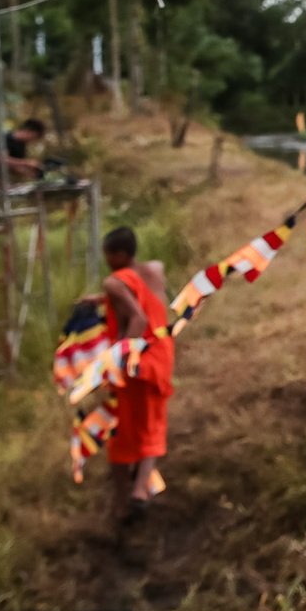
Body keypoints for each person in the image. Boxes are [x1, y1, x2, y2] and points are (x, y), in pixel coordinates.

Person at [99, 225, 175, 528]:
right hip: (161, 357)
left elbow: (138, 318)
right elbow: (141, 296)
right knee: (152, 423)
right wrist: (98, 300)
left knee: (122, 432)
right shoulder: (154, 270)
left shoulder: (113, 282)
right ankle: (141, 489)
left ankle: (121, 503)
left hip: (135, 365)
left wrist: (119, 357)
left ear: (118, 255)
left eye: (108, 255)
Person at [0, 118, 46, 186]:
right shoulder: (4, 139)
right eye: (34, 137)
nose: (32, 141)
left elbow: (14, 167)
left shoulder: (21, 146)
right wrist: (27, 163)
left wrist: (30, 173)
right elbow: (1, 160)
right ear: (29, 131)